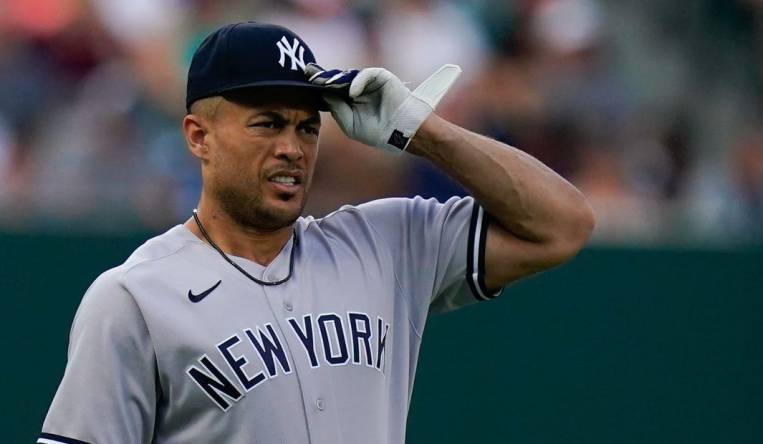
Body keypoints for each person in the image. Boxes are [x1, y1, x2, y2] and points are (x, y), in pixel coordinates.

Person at [38, 22, 594, 444]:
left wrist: (421, 132)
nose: (292, 146)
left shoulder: (385, 244)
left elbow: (562, 225)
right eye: (267, 123)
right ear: (198, 136)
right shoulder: (133, 298)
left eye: (308, 126)